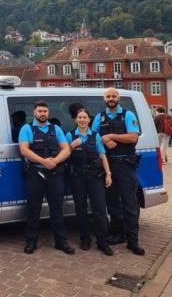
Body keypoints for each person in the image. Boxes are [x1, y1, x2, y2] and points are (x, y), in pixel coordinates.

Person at [91, 87, 144, 255]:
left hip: (125, 165)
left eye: (114, 96)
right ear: (104, 98)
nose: (111, 98)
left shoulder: (128, 115)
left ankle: (133, 240)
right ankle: (118, 234)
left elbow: (133, 137)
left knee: (129, 203)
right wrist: (104, 142)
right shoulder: (99, 117)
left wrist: (111, 136)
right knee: (112, 203)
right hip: (108, 166)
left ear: (118, 97)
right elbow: (93, 137)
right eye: (108, 96)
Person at [18, 100, 73, 255]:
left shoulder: (56, 129)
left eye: (45, 111)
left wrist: (54, 161)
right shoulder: (27, 129)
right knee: (33, 209)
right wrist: (43, 161)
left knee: (57, 209)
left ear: (48, 113)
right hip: (35, 173)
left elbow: (66, 149)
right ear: (34, 112)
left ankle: (61, 242)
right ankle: (31, 242)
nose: (43, 114)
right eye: (40, 111)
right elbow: (24, 150)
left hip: (54, 173)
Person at [66, 108, 113, 256]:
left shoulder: (95, 135)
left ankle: (103, 242)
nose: (82, 120)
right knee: (81, 209)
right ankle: (85, 239)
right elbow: (64, 154)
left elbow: (102, 155)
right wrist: (72, 145)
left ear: (89, 120)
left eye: (84, 117)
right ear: (76, 120)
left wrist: (108, 174)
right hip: (77, 177)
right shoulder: (70, 135)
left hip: (94, 177)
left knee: (99, 209)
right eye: (79, 117)